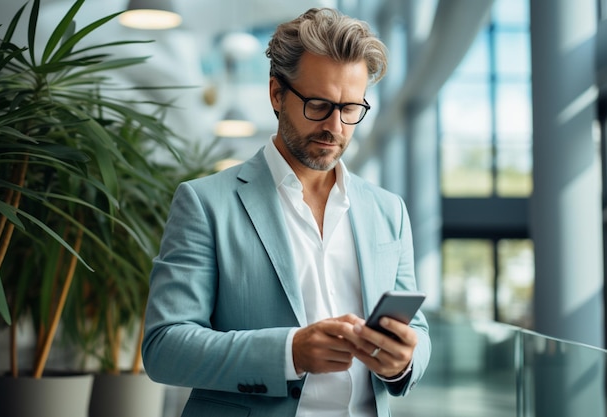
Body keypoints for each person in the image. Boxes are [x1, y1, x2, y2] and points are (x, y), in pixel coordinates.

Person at [142, 7, 431, 417]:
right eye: (319, 105)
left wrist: (402, 362)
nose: (336, 126)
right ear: (277, 94)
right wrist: (289, 352)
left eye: (351, 108)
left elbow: (416, 330)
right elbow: (164, 347)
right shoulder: (205, 203)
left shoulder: (389, 210)